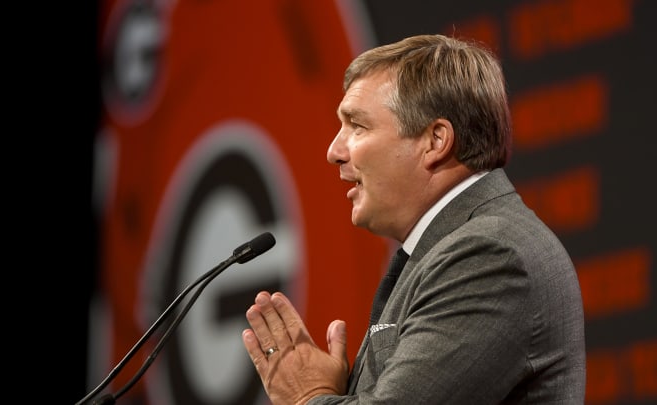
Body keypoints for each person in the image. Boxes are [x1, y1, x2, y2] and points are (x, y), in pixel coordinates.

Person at [241, 34, 586, 404]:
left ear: (435, 141)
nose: (334, 151)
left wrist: (307, 398)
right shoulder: (449, 246)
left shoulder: (489, 255)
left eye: (357, 126)